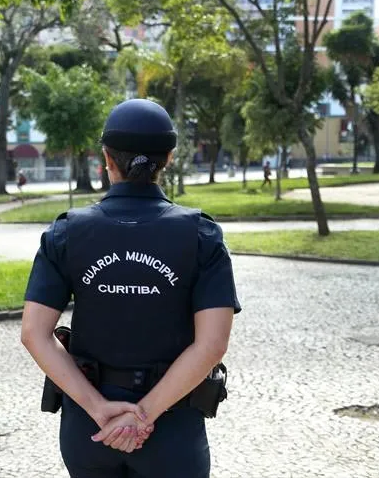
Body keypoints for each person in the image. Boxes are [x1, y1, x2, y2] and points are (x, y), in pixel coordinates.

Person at [21, 99, 240, 478]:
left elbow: (34, 334)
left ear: (106, 159)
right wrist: (143, 417)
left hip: (89, 430)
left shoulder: (65, 234)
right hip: (172, 430)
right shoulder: (202, 236)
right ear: (168, 158)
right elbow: (212, 344)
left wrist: (100, 410)